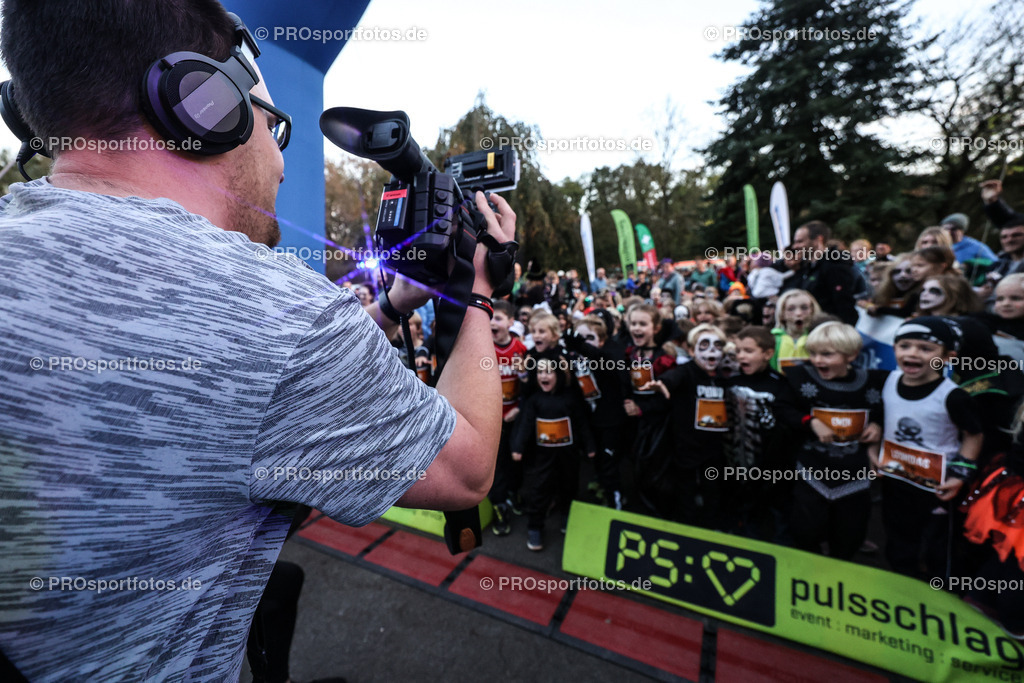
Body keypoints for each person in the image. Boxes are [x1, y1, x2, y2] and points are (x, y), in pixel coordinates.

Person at [0, 2, 516, 679]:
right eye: (276, 127)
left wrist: (392, 304)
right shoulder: (279, 317)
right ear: (203, 105)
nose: (277, 158)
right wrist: (481, 294)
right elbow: (468, 466)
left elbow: (251, 392)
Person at [869, 317, 983, 579]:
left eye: (925, 348)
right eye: (905, 345)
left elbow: (973, 435)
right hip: (896, 480)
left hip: (936, 488)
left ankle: (941, 594)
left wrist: (959, 475)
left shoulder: (953, 396)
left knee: (937, 547)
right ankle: (901, 584)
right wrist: (872, 451)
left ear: (947, 357)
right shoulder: (887, 382)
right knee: (897, 537)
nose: (912, 353)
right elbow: (880, 417)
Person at [786, 322, 885, 560]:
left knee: (849, 533)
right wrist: (809, 421)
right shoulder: (799, 376)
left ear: (851, 355)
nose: (818, 360)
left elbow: (887, 407)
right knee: (805, 530)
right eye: (814, 353)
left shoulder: (872, 381)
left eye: (827, 354)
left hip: (854, 474)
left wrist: (878, 425)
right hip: (811, 470)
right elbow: (782, 408)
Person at [512, 358, 595, 551]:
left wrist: (590, 446)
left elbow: (582, 424)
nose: (544, 376)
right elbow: (525, 425)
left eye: (549, 372)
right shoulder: (534, 400)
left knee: (569, 485)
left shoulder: (571, 398)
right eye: (540, 372)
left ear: (558, 375)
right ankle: (535, 527)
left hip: (568, 454)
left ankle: (567, 516)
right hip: (543, 456)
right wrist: (518, 447)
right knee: (539, 489)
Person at [490, 300, 529, 534]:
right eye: (490, 318)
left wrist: (520, 407)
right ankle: (499, 505)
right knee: (496, 464)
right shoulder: (482, 347)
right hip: (490, 418)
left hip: (514, 417)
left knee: (516, 460)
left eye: (498, 318)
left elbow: (530, 385)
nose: (492, 322)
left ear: (511, 322)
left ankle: (514, 493)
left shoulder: (520, 349)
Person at [782, 220, 859, 324]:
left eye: (800, 241)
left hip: (830, 330)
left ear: (818, 240)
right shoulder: (806, 268)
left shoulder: (835, 266)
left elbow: (844, 304)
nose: (795, 247)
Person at [940, 213, 997, 280]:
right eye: (946, 229)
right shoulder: (940, 245)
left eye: (953, 229)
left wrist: (969, 263)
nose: (949, 232)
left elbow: (995, 262)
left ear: (962, 231)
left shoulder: (975, 246)